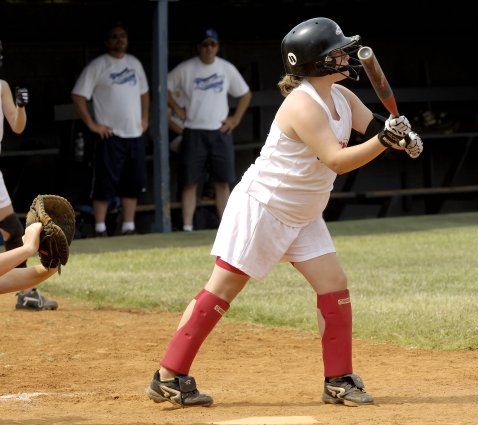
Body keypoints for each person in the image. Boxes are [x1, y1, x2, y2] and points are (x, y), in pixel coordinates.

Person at [146, 17, 422, 408]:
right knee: (222, 289)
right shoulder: (302, 104)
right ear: (315, 62)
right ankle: (168, 376)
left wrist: (400, 137)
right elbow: (337, 160)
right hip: (265, 208)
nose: (344, 57)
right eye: (336, 53)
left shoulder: (342, 97)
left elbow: (373, 129)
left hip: (304, 213)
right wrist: (384, 140)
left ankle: (338, 379)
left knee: (334, 285)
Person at [167, 28, 252, 232]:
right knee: (189, 182)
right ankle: (187, 227)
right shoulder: (186, 68)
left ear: (217, 47)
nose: (209, 48)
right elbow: (163, 87)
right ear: (198, 47)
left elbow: (245, 94)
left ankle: (226, 228)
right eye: (205, 44)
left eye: (212, 44)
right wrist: (177, 108)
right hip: (193, 131)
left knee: (223, 182)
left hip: (219, 131)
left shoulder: (226, 68)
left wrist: (235, 120)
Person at [71, 21, 150, 237]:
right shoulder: (98, 65)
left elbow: (144, 92)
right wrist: (92, 124)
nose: (119, 39)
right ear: (107, 42)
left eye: (123, 35)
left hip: (134, 134)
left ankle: (128, 226)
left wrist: (145, 118)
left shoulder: (134, 63)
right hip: (110, 135)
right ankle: (100, 228)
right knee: (104, 183)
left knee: (132, 182)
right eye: (115, 36)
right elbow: (78, 95)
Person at [0, 40, 58, 310]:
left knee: (12, 229)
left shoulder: (2, 86)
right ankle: (26, 290)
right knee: (12, 230)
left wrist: (20, 105)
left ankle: (26, 292)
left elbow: (17, 126)